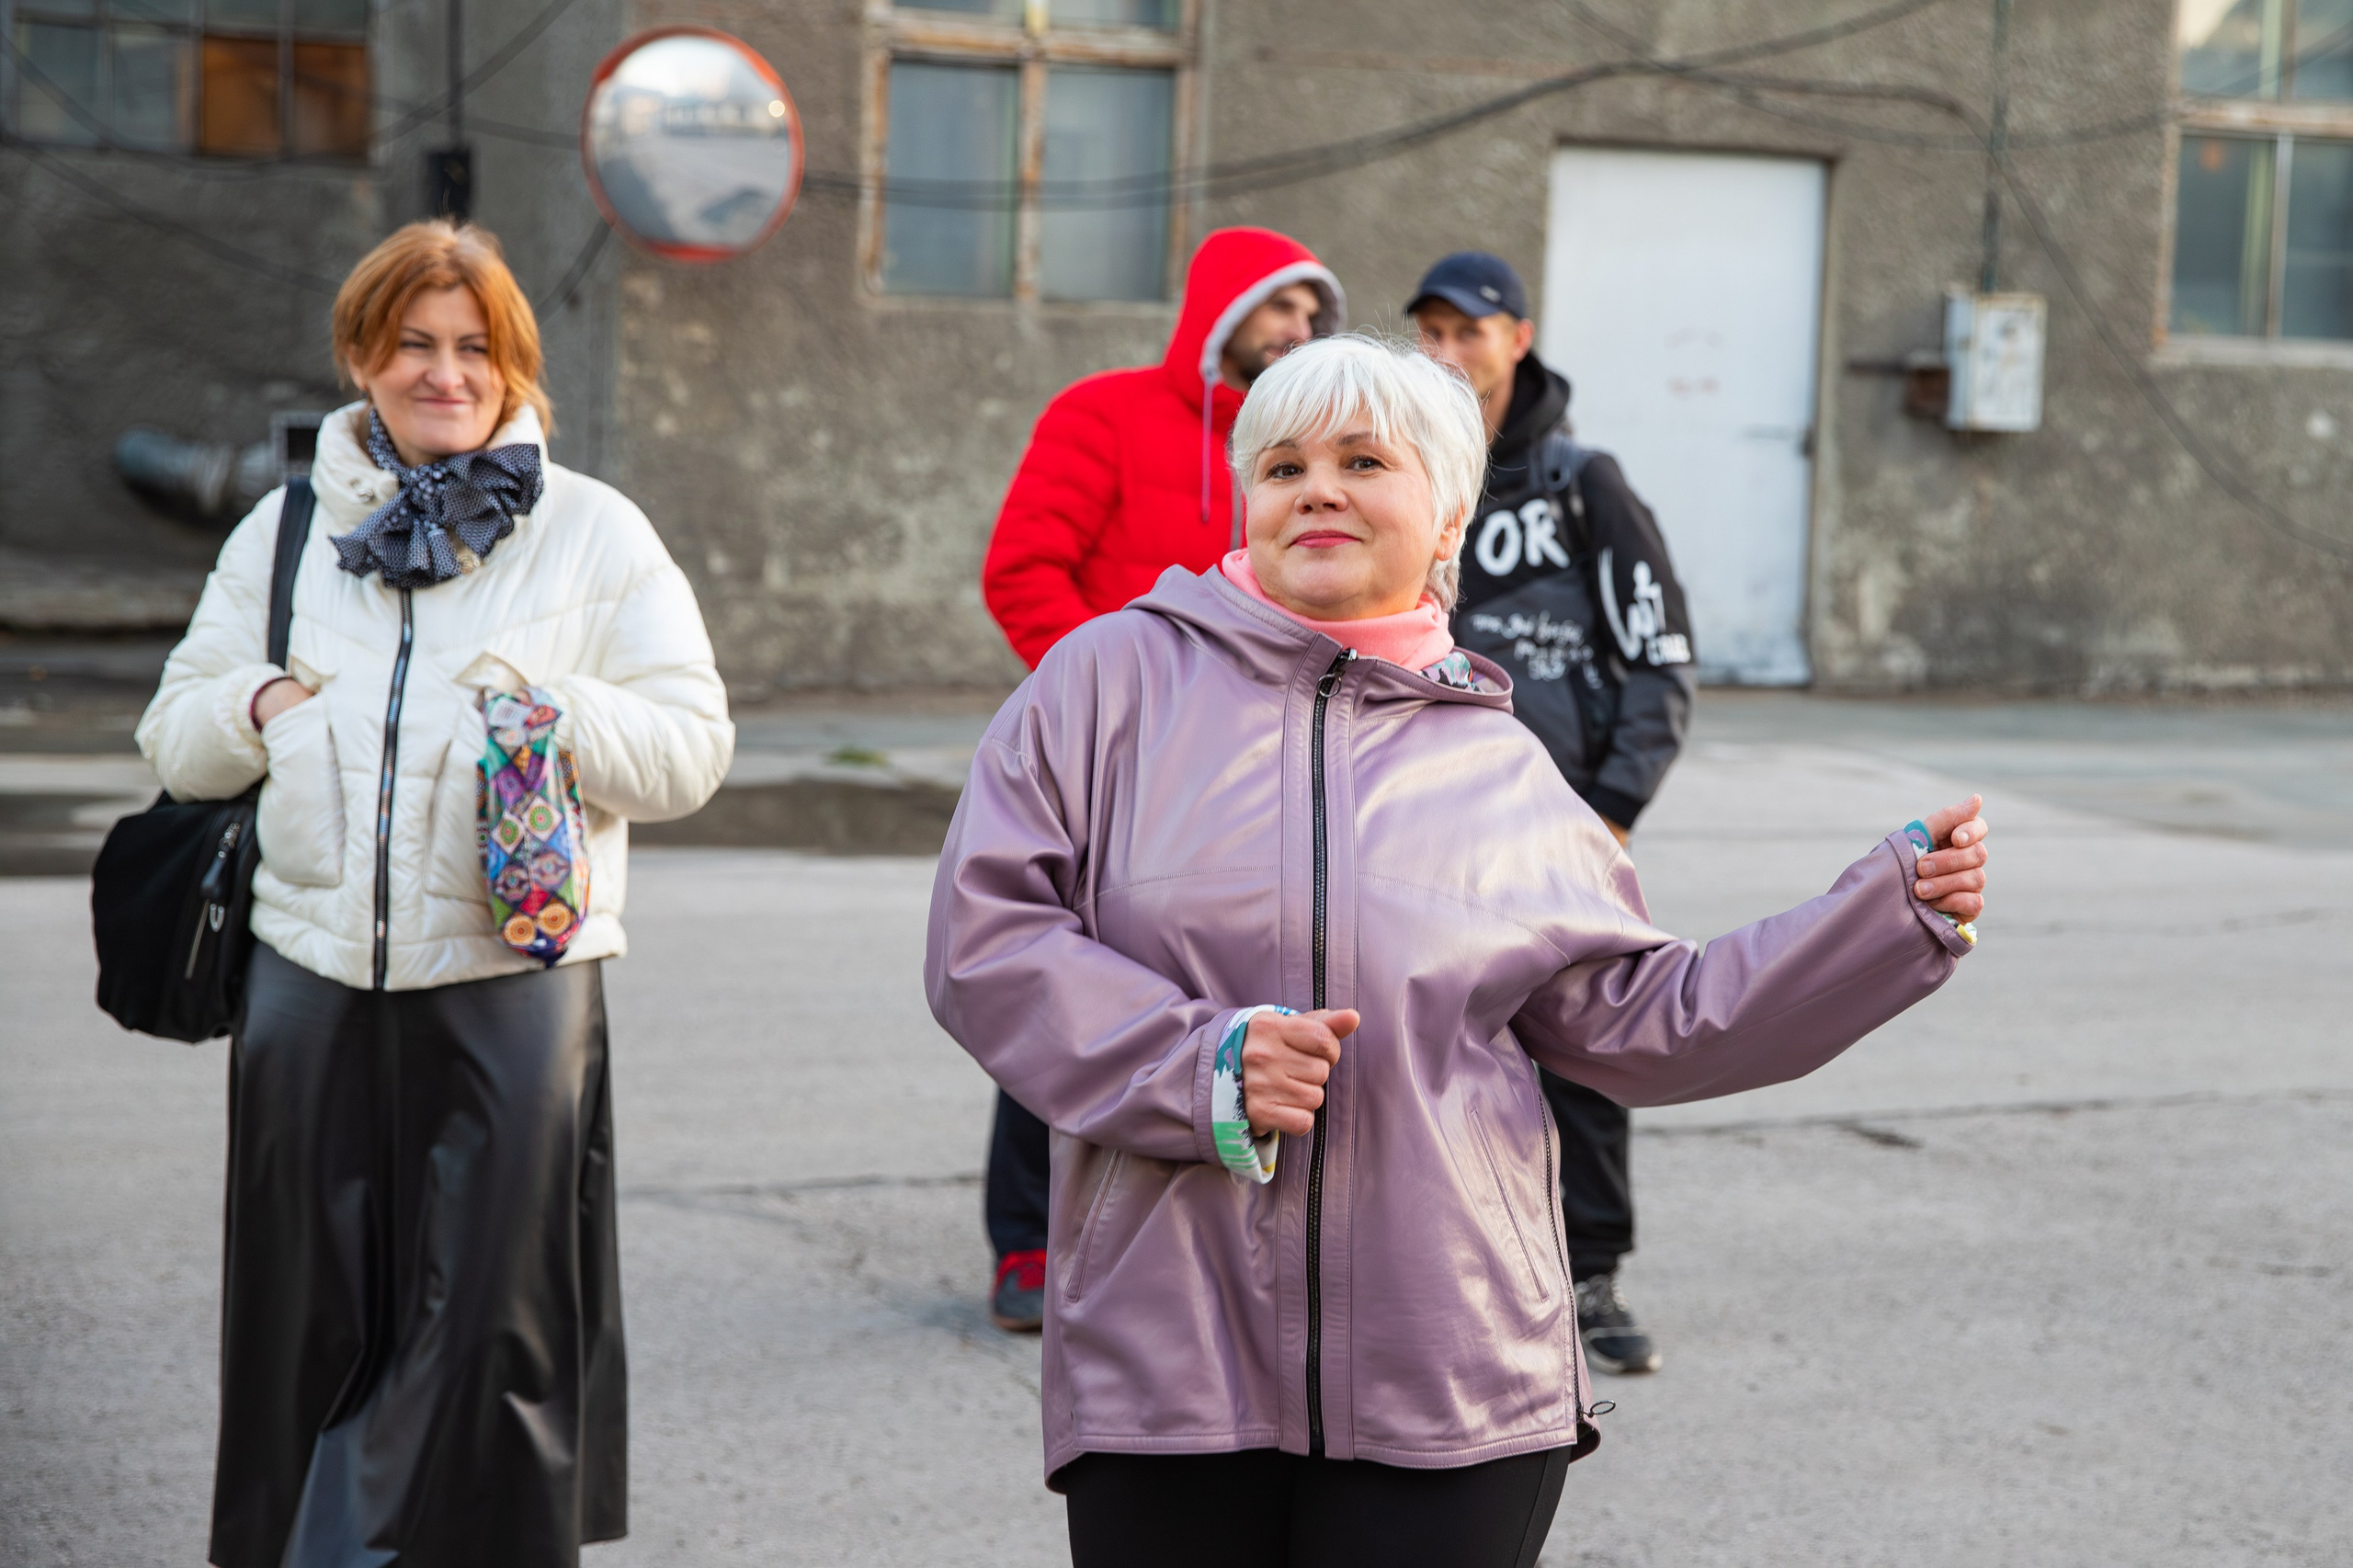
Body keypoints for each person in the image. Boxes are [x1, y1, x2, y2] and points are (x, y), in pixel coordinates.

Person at [925, 334, 1988, 1568]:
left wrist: (1880, 917)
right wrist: (1201, 1069)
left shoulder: (1505, 765)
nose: (1315, 486)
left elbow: (1648, 1018)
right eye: (1281, 464)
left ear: (1448, 520)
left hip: (1454, 1369)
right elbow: (985, 937)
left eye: (1362, 458)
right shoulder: (1103, 685)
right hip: (1168, 1356)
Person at [137, 220, 733, 1568]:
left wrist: (553, 714)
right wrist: (262, 702)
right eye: (414, 343)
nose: (444, 372)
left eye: (475, 347)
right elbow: (174, 733)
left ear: (514, 363)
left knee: (488, 1332)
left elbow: (694, 748)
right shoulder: (283, 530)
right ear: (363, 355)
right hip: (307, 975)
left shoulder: (594, 533)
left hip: (517, 985)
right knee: (311, 1320)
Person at [972, 226, 1345, 1331]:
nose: (1296, 332)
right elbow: (1022, 568)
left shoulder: (1295, 450)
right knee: (1062, 982)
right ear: (1220, 314)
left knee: (1216, 987)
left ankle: (1206, 1224)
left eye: (1311, 315)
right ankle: (1031, 1242)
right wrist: (1106, 703)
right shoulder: (1103, 414)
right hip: (1112, 761)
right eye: (1277, 309)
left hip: (1254, 770)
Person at [1408, 251, 1698, 1377]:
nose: (1445, 351)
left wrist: (1613, 808)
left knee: (1584, 1049)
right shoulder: (1406, 477)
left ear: (1517, 338)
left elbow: (1658, 655)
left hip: (1560, 824)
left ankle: (1590, 1274)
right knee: (1418, 1047)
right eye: (1426, 331)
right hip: (1420, 826)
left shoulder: (1585, 483)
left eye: (1467, 330)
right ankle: (1438, 1268)